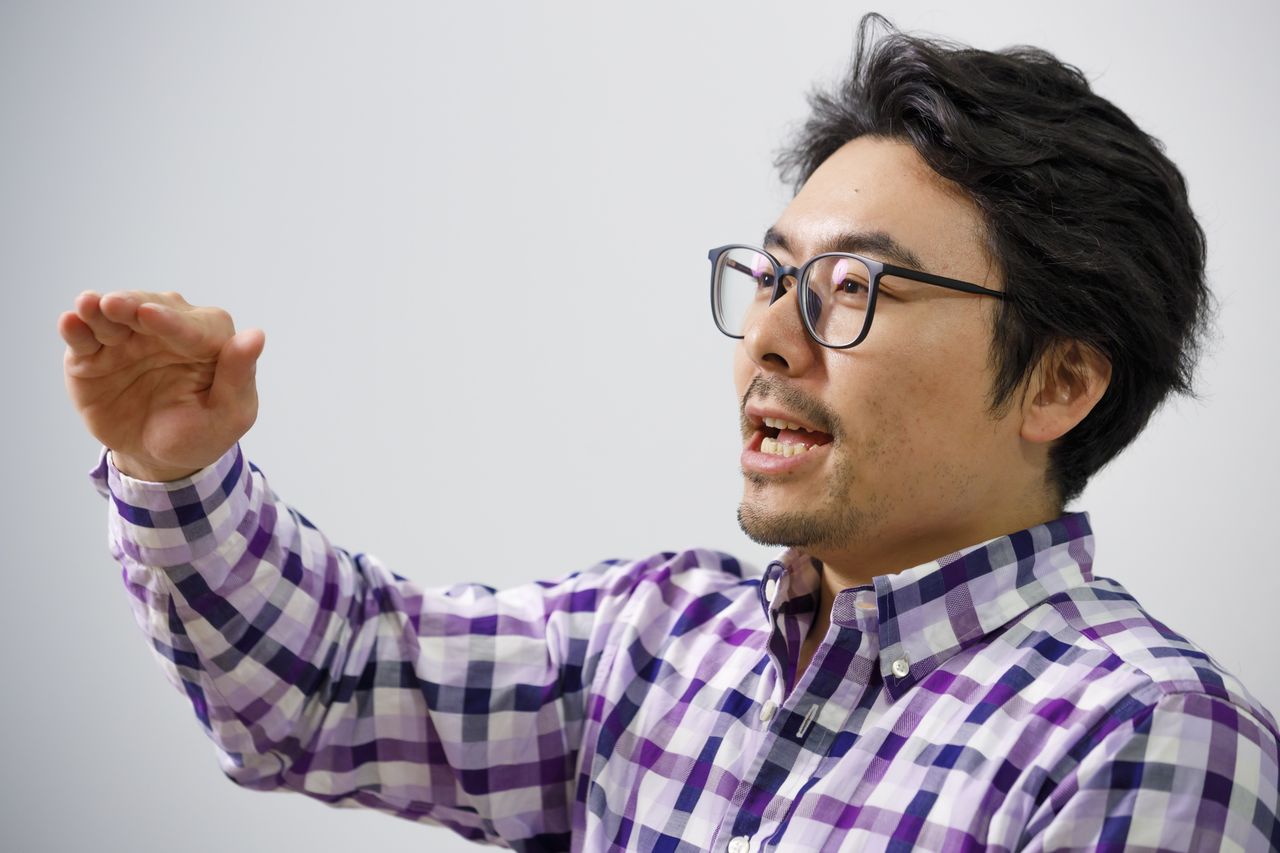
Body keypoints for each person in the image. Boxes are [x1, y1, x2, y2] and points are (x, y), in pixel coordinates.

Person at [59, 15, 1279, 852]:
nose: (770, 338)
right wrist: (179, 469)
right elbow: (334, 679)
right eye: (770, 275)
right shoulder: (656, 640)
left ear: (1059, 381)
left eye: (852, 289)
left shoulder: (1141, 735)